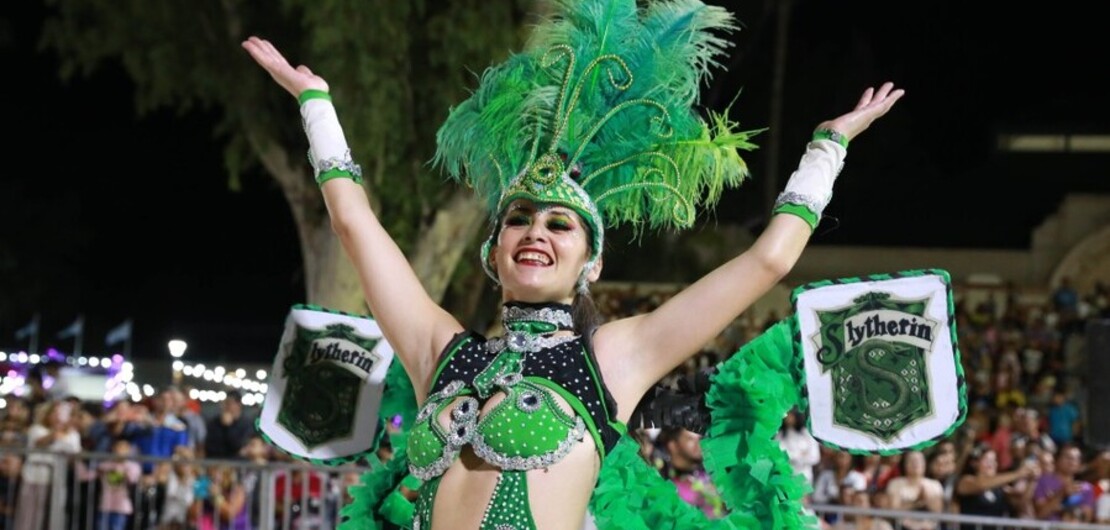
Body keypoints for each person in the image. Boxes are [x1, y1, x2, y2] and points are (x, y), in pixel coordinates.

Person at [242, 0, 903, 527]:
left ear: (592, 264)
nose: (536, 232)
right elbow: (355, 226)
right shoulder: (441, 354)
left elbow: (767, 261)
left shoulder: (615, 358)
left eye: (560, 224)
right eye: (519, 219)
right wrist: (316, 105)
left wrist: (828, 148)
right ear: (492, 251)